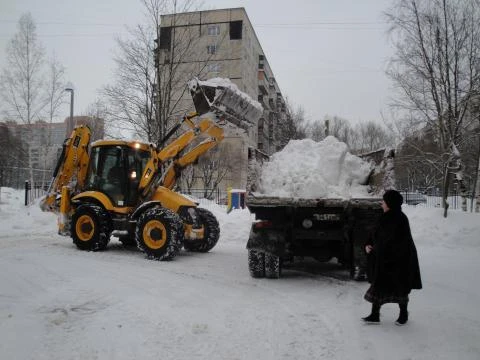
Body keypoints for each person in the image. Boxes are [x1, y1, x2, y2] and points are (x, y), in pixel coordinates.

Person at [362, 189, 422, 325]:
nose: (381, 203)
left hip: (399, 260)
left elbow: (392, 240)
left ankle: (403, 315)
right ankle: (374, 315)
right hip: (384, 258)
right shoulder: (384, 216)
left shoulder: (399, 218)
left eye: (383, 201)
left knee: (399, 288)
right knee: (378, 286)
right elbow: (375, 234)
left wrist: (374, 249)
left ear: (390, 203)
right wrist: (368, 244)